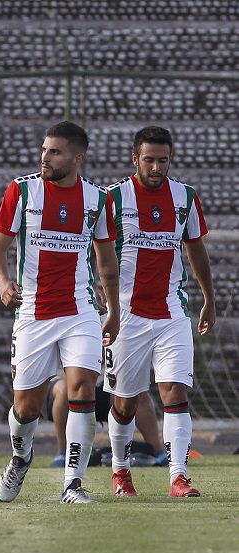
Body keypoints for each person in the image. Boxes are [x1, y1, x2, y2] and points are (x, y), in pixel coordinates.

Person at [0, 121, 120, 504]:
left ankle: (72, 483)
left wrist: (111, 310)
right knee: (26, 407)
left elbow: (107, 262)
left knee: (82, 390)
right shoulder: (22, 190)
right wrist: (2, 283)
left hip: (80, 310)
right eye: (44, 150)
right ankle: (20, 456)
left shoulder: (97, 199)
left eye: (56, 151)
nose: (46, 157)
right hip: (33, 312)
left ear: (78, 157)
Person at [103, 126, 216, 497]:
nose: (156, 167)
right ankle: (121, 472)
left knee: (174, 391)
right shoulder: (113, 199)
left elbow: (196, 249)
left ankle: (179, 476)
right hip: (127, 315)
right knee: (125, 402)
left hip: (172, 312)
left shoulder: (185, 197)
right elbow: (95, 252)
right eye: (149, 160)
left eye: (162, 160)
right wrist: (101, 301)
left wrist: (208, 299)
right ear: (134, 158)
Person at [47, 375, 165, 467]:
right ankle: (63, 453)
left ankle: (157, 451)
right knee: (64, 388)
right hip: (65, 382)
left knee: (136, 391)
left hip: (102, 381)